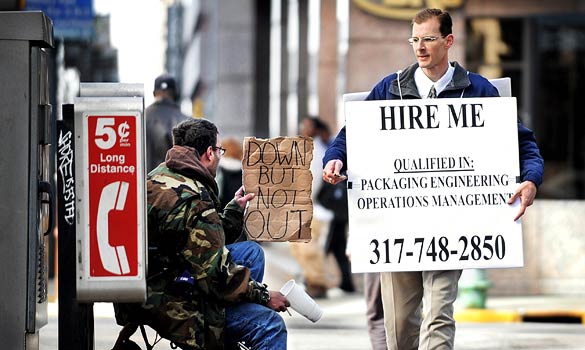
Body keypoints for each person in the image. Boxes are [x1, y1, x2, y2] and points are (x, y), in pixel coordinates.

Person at [322, 8, 544, 350]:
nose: (420, 47)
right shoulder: (390, 88)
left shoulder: (478, 90)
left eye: (428, 39)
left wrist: (530, 180)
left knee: (439, 314)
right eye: (415, 39)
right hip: (396, 226)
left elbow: (522, 143)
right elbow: (349, 137)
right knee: (398, 326)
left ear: (449, 41)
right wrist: (335, 158)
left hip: (450, 225)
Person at [113, 118, 289, 350]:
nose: (220, 156)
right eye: (219, 150)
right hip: (169, 300)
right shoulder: (194, 198)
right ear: (208, 153)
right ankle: (223, 326)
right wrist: (265, 297)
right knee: (270, 324)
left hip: (158, 279)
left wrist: (234, 210)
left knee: (251, 252)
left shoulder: (161, 175)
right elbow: (216, 275)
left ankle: (228, 320)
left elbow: (200, 238)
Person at [289, 116, 333, 298]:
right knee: (299, 247)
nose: (303, 128)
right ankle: (312, 280)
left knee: (309, 248)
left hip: (310, 207)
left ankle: (318, 283)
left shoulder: (316, 150)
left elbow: (312, 181)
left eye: (307, 126)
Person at [145, 74, 191, 172]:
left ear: (154, 93)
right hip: (175, 184)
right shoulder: (187, 121)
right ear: (175, 94)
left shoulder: (140, 117)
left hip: (143, 183)